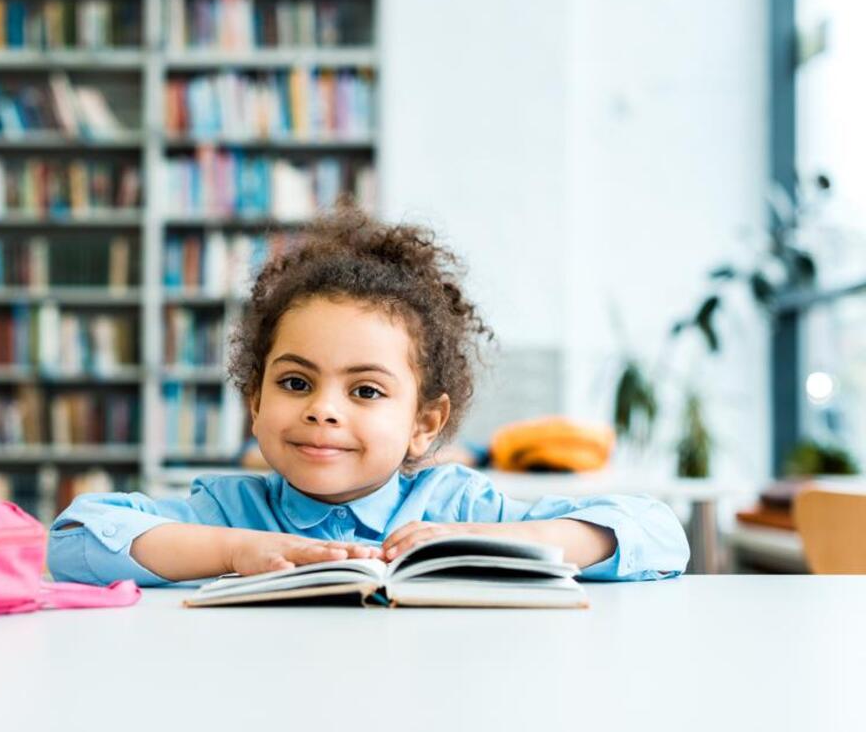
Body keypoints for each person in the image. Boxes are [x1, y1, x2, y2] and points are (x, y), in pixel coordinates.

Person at [47, 207, 689, 586]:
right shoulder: (224, 509)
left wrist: (482, 541)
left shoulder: (462, 505)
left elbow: (660, 535)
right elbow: (74, 537)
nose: (323, 409)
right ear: (253, 401)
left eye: (366, 390)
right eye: (295, 383)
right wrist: (236, 550)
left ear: (423, 422)